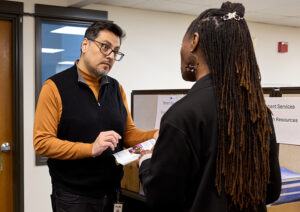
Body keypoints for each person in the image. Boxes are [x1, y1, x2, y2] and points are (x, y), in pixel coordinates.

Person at [138, 2, 281, 212]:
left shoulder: (182, 116)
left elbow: (162, 200)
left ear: (194, 41)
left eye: (182, 42)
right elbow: (271, 192)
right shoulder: (258, 111)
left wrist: (147, 161)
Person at [33, 21, 158, 212]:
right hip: (73, 196)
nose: (110, 56)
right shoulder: (54, 87)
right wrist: (91, 148)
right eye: (105, 47)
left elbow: (129, 134)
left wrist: (155, 134)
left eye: (115, 51)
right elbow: (42, 142)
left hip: (112, 191)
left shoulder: (116, 88)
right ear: (85, 45)